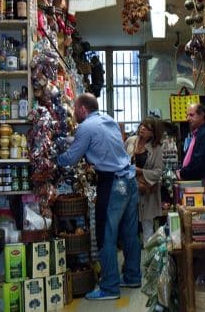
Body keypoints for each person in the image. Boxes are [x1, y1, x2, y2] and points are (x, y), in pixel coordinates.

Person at [56, 93, 141, 300]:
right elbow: (96, 143)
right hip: (129, 180)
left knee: (106, 234)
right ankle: (132, 277)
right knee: (129, 233)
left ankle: (110, 287)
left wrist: (54, 159)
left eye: (75, 109)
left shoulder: (85, 127)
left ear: (82, 109)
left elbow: (71, 158)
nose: (74, 113)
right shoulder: (108, 120)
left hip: (112, 183)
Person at [124, 118, 163, 244]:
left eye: (147, 128)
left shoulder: (156, 148)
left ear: (153, 133)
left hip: (147, 192)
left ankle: (148, 259)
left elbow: (158, 172)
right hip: (129, 190)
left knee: (147, 226)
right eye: (142, 125)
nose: (142, 128)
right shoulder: (130, 141)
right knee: (130, 226)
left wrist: (140, 171)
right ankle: (130, 259)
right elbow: (122, 162)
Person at [176, 103, 205, 180]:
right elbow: (191, 157)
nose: (188, 119)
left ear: (202, 115)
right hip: (195, 180)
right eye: (187, 115)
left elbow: (199, 160)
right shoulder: (198, 133)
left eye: (191, 115)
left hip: (203, 182)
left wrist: (183, 173)